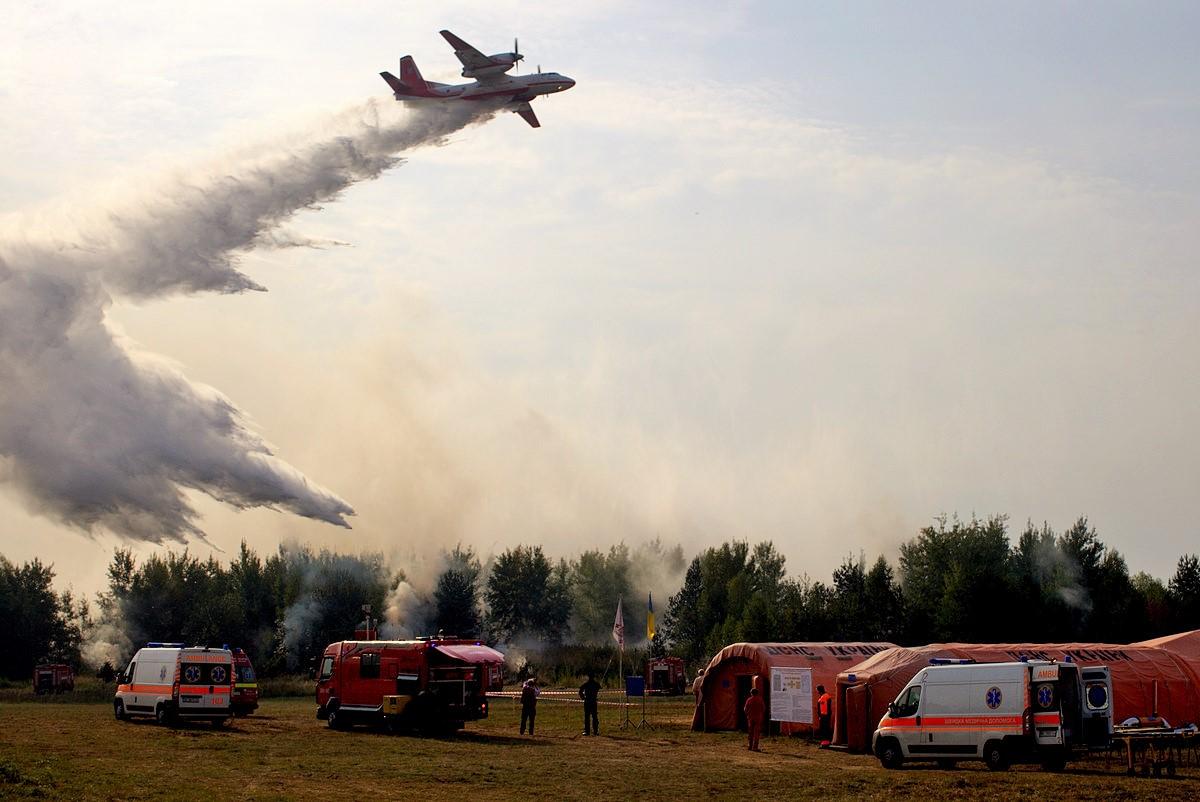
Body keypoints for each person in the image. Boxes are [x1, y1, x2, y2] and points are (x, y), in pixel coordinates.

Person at [744, 686, 765, 752]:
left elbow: (745, 709)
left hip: (750, 718)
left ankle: (750, 746)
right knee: (756, 733)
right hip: (758, 718)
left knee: (750, 732)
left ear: (751, 693)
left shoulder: (749, 700)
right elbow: (763, 708)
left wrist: (748, 714)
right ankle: (755, 747)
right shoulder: (760, 699)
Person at [691, 667, 706, 732]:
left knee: (698, 710)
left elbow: (694, 689)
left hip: (699, 697)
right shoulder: (706, 678)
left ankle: (698, 724)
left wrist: (696, 695)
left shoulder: (697, 679)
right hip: (706, 697)